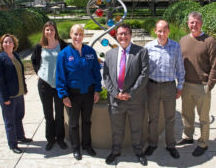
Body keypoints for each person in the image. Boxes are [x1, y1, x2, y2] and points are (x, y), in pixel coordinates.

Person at [103, 24, 149, 166]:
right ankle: (116, 151)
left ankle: (138, 151)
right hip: (116, 100)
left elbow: (144, 74)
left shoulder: (141, 52)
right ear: (116, 36)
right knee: (117, 129)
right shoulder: (110, 54)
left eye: (126, 34)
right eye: (120, 34)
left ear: (131, 35)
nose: (123, 37)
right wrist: (115, 93)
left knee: (136, 128)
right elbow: (106, 76)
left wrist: (130, 93)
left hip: (134, 99)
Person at [56, 24, 102, 160]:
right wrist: (64, 95)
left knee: (87, 121)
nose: (78, 37)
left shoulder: (90, 51)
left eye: (80, 34)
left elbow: (96, 73)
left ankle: (87, 145)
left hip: (88, 93)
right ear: (71, 35)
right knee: (74, 123)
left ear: (83, 36)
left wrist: (97, 90)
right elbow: (60, 76)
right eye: (75, 34)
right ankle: (76, 148)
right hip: (72, 95)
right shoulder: (64, 54)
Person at [176, 12, 216, 156]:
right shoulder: (183, 40)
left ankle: (204, 142)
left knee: (204, 117)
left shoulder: (210, 41)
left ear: (202, 23)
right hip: (186, 84)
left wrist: (209, 85)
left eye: (197, 22)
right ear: (188, 24)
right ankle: (188, 136)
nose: (194, 25)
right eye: (192, 22)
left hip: (202, 86)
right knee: (186, 114)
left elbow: (214, 65)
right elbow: (179, 62)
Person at [144, 20, 185, 159]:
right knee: (153, 118)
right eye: (159, 31)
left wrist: (180, 86)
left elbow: (180, 68)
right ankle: (152, 144)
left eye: (164, 30)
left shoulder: (175, 46)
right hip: (152, 86)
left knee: (170, 118)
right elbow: (143, 70)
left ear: (169, 31)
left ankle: (171, 145)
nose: (162, 33)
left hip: (169, 87)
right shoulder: (148, 47)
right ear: (155, 31)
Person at [31, 21, 68, 151]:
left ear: (55, 31)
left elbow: (68, 61)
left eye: (51, 29)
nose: (49, 32)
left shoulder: (63, 45)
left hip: (59, 85)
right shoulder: (39, 46)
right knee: (48, 114)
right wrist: (39, 73)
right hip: (44, 85)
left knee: (60, 114)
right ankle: (50, 139)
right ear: (44, 31)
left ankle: (60, 139)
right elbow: (34, 61)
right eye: (47, 30)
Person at [0, 34, 32, 154]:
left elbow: (20, 73)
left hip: (19, 93)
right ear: (2, 44)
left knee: (19, 117)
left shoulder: (15, 55)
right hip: (8, 96)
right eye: (5, 42)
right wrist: (5, 97)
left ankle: (20, 136)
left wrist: (24, 88)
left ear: (14, 43)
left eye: (10, 42)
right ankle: (13, 144)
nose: (8, 44)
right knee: (10, 121)